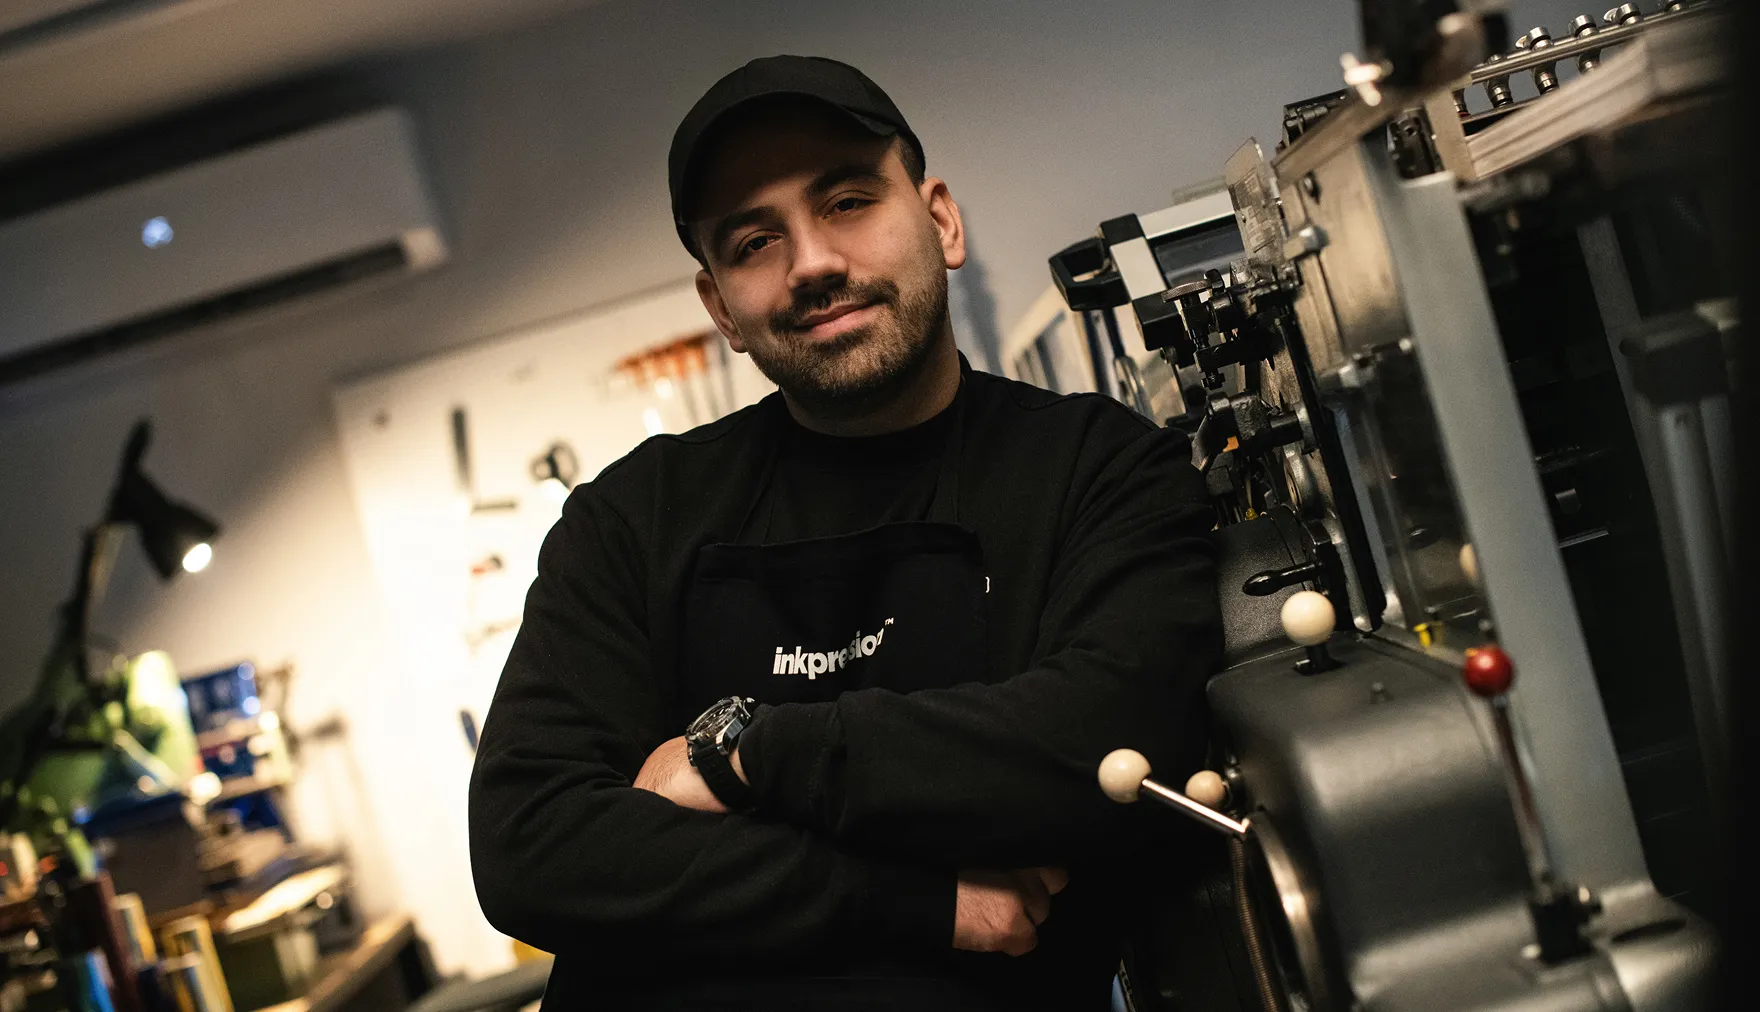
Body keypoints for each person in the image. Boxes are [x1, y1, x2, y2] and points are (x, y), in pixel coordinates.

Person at [468, 54, 1221, 1011]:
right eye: (751, 243)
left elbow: (1106, 747)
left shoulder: (1099, 470)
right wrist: (916, 898)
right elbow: (532, 848)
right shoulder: (634, 517)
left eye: (849, 200)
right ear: (720, 310)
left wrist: (737, 756)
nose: (813, 263)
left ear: (941, 219)